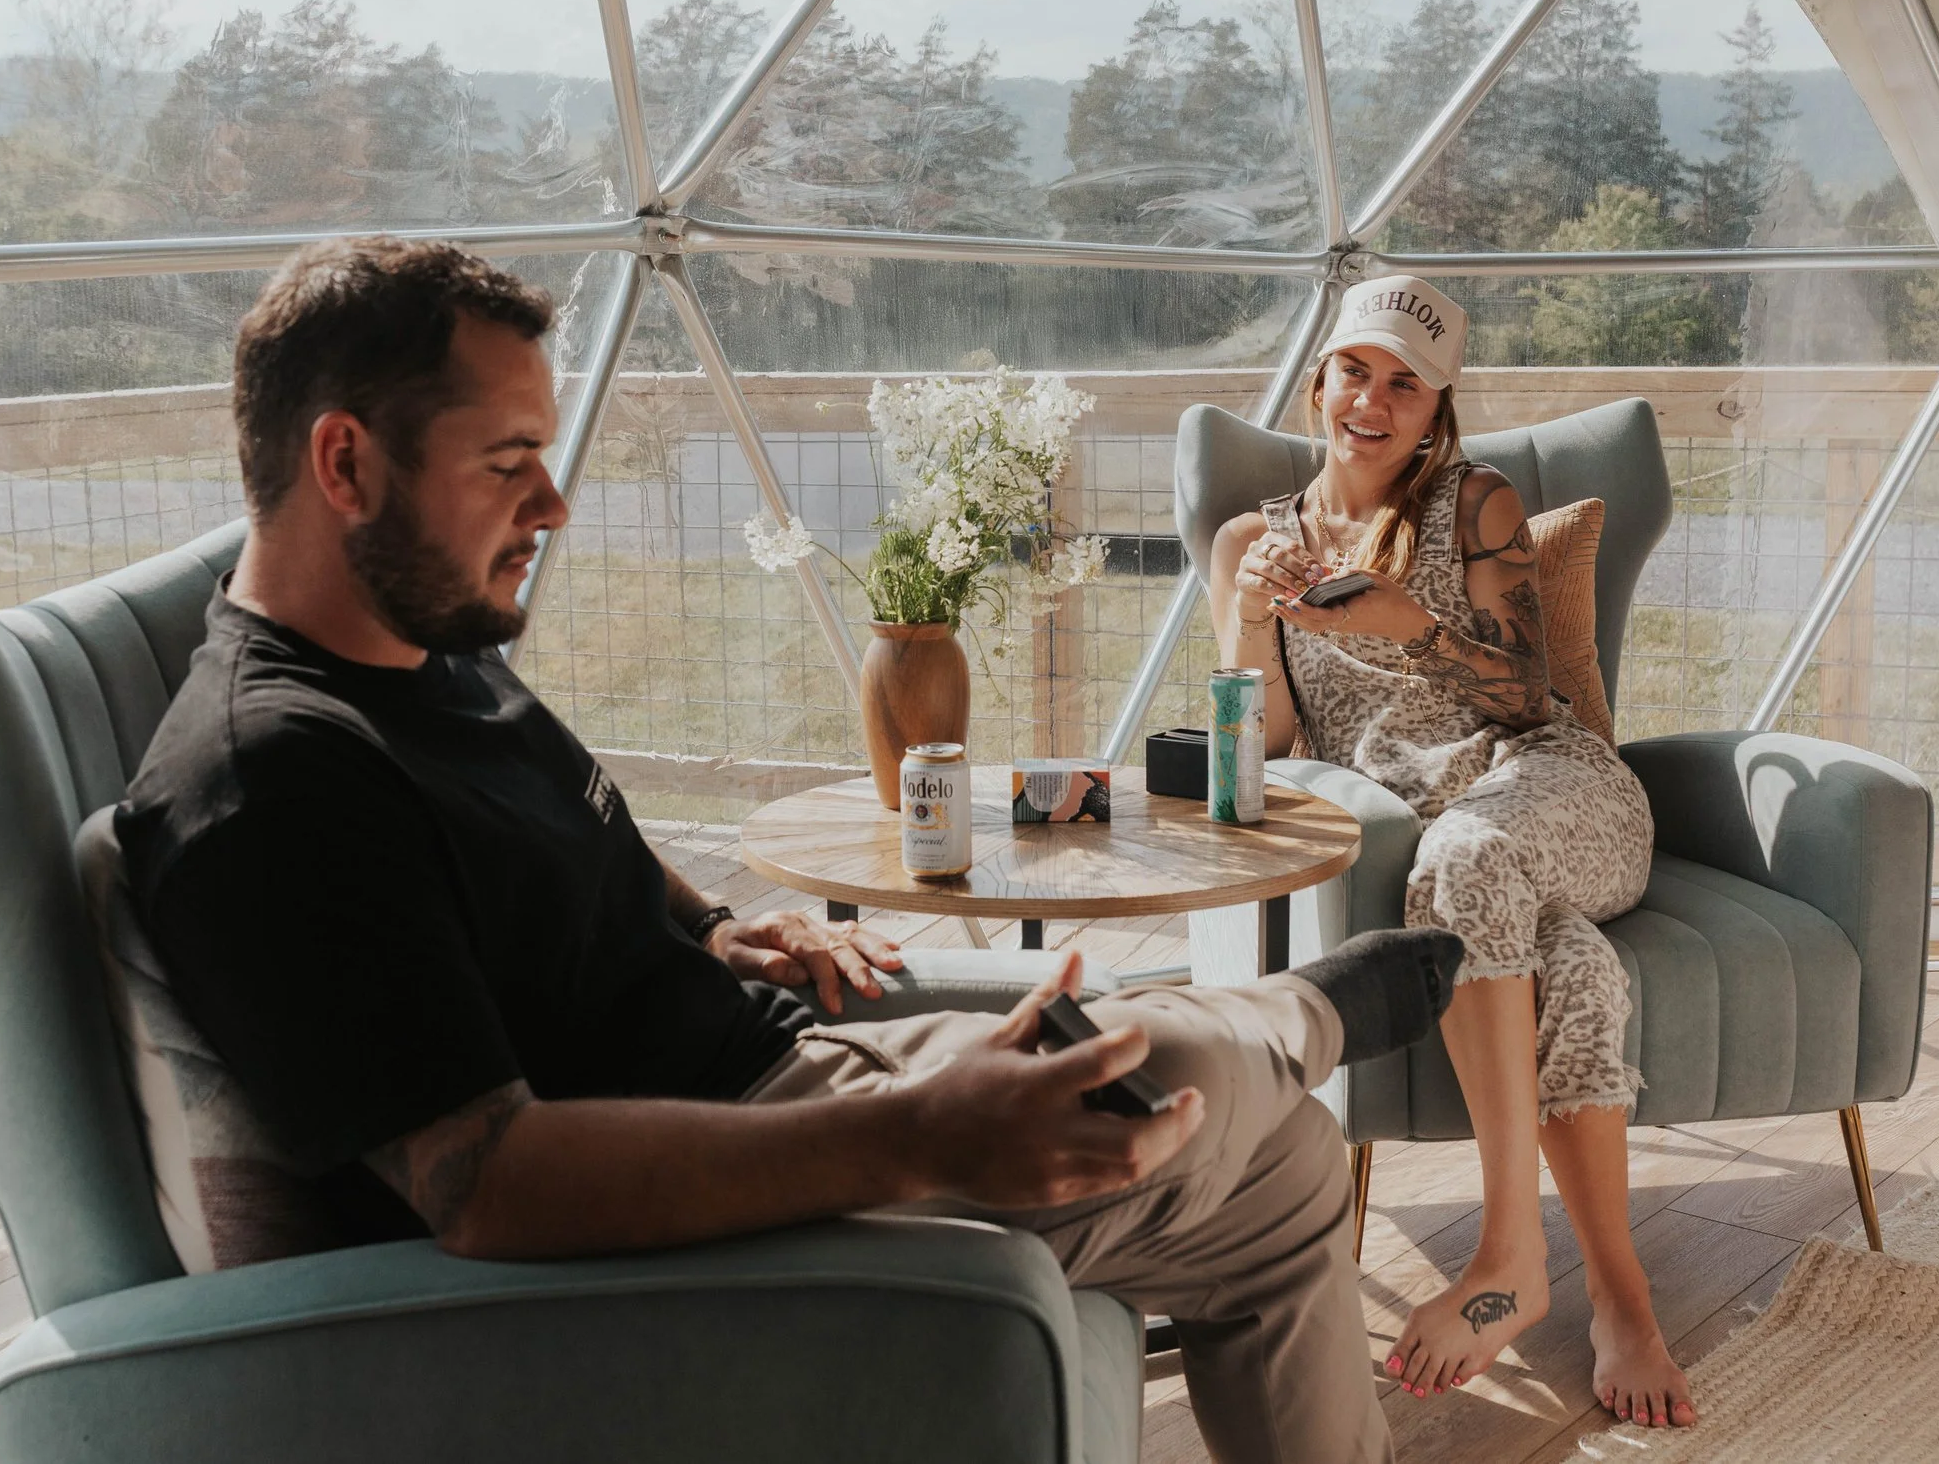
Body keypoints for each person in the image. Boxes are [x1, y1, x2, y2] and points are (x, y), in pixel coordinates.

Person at [115, 235, 1468, 1464]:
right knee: (1164, 1062)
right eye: (506, 459)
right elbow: (485, 1183)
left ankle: (1271, 1032)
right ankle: (1297, 1008)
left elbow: (570, 838)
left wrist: (710, 923)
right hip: (707, 1208)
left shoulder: (422, 652)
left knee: (1283, 1168)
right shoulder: (271, 780)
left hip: (775, 1067)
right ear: (345, 462)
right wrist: (914, 1136)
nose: (554, 502)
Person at [1206, 275, 1693, 1429]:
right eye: (1356, 373)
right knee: (1567, 970)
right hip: (1450, 853)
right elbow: (1265, 741)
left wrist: (1401, 621)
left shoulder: (1473, 504)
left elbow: (1533, 692)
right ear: (1319, 379)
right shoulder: (1249, 539)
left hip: (1560, 793)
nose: (1372, 402)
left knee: (1469, 855)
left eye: (1404, 385)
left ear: (1437, 409)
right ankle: (1621, 1300)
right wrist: (1250, 616)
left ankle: (1506, 1255)